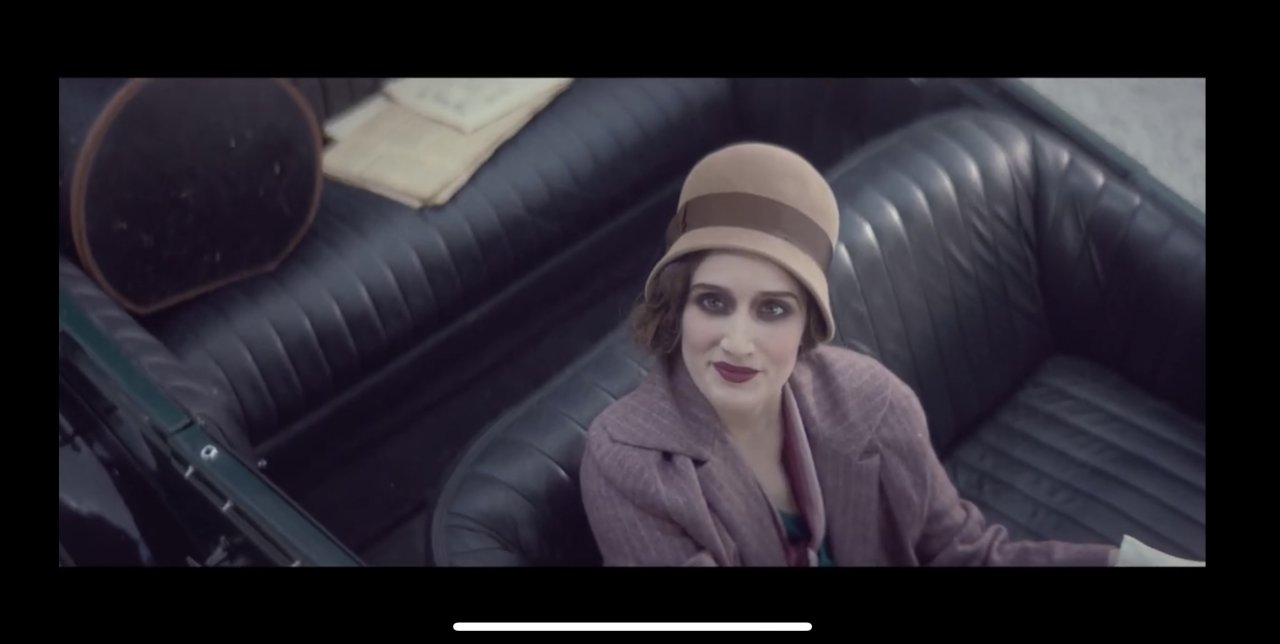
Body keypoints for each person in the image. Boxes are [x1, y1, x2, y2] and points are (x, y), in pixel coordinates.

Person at [578, 142, 1203, 567]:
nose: (738, 340)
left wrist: (1128, 564)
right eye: (713, 302)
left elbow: (966, 555)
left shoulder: (870, 400)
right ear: (677, 308)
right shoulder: (628, 463)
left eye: (772, 310)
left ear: (807, 326)